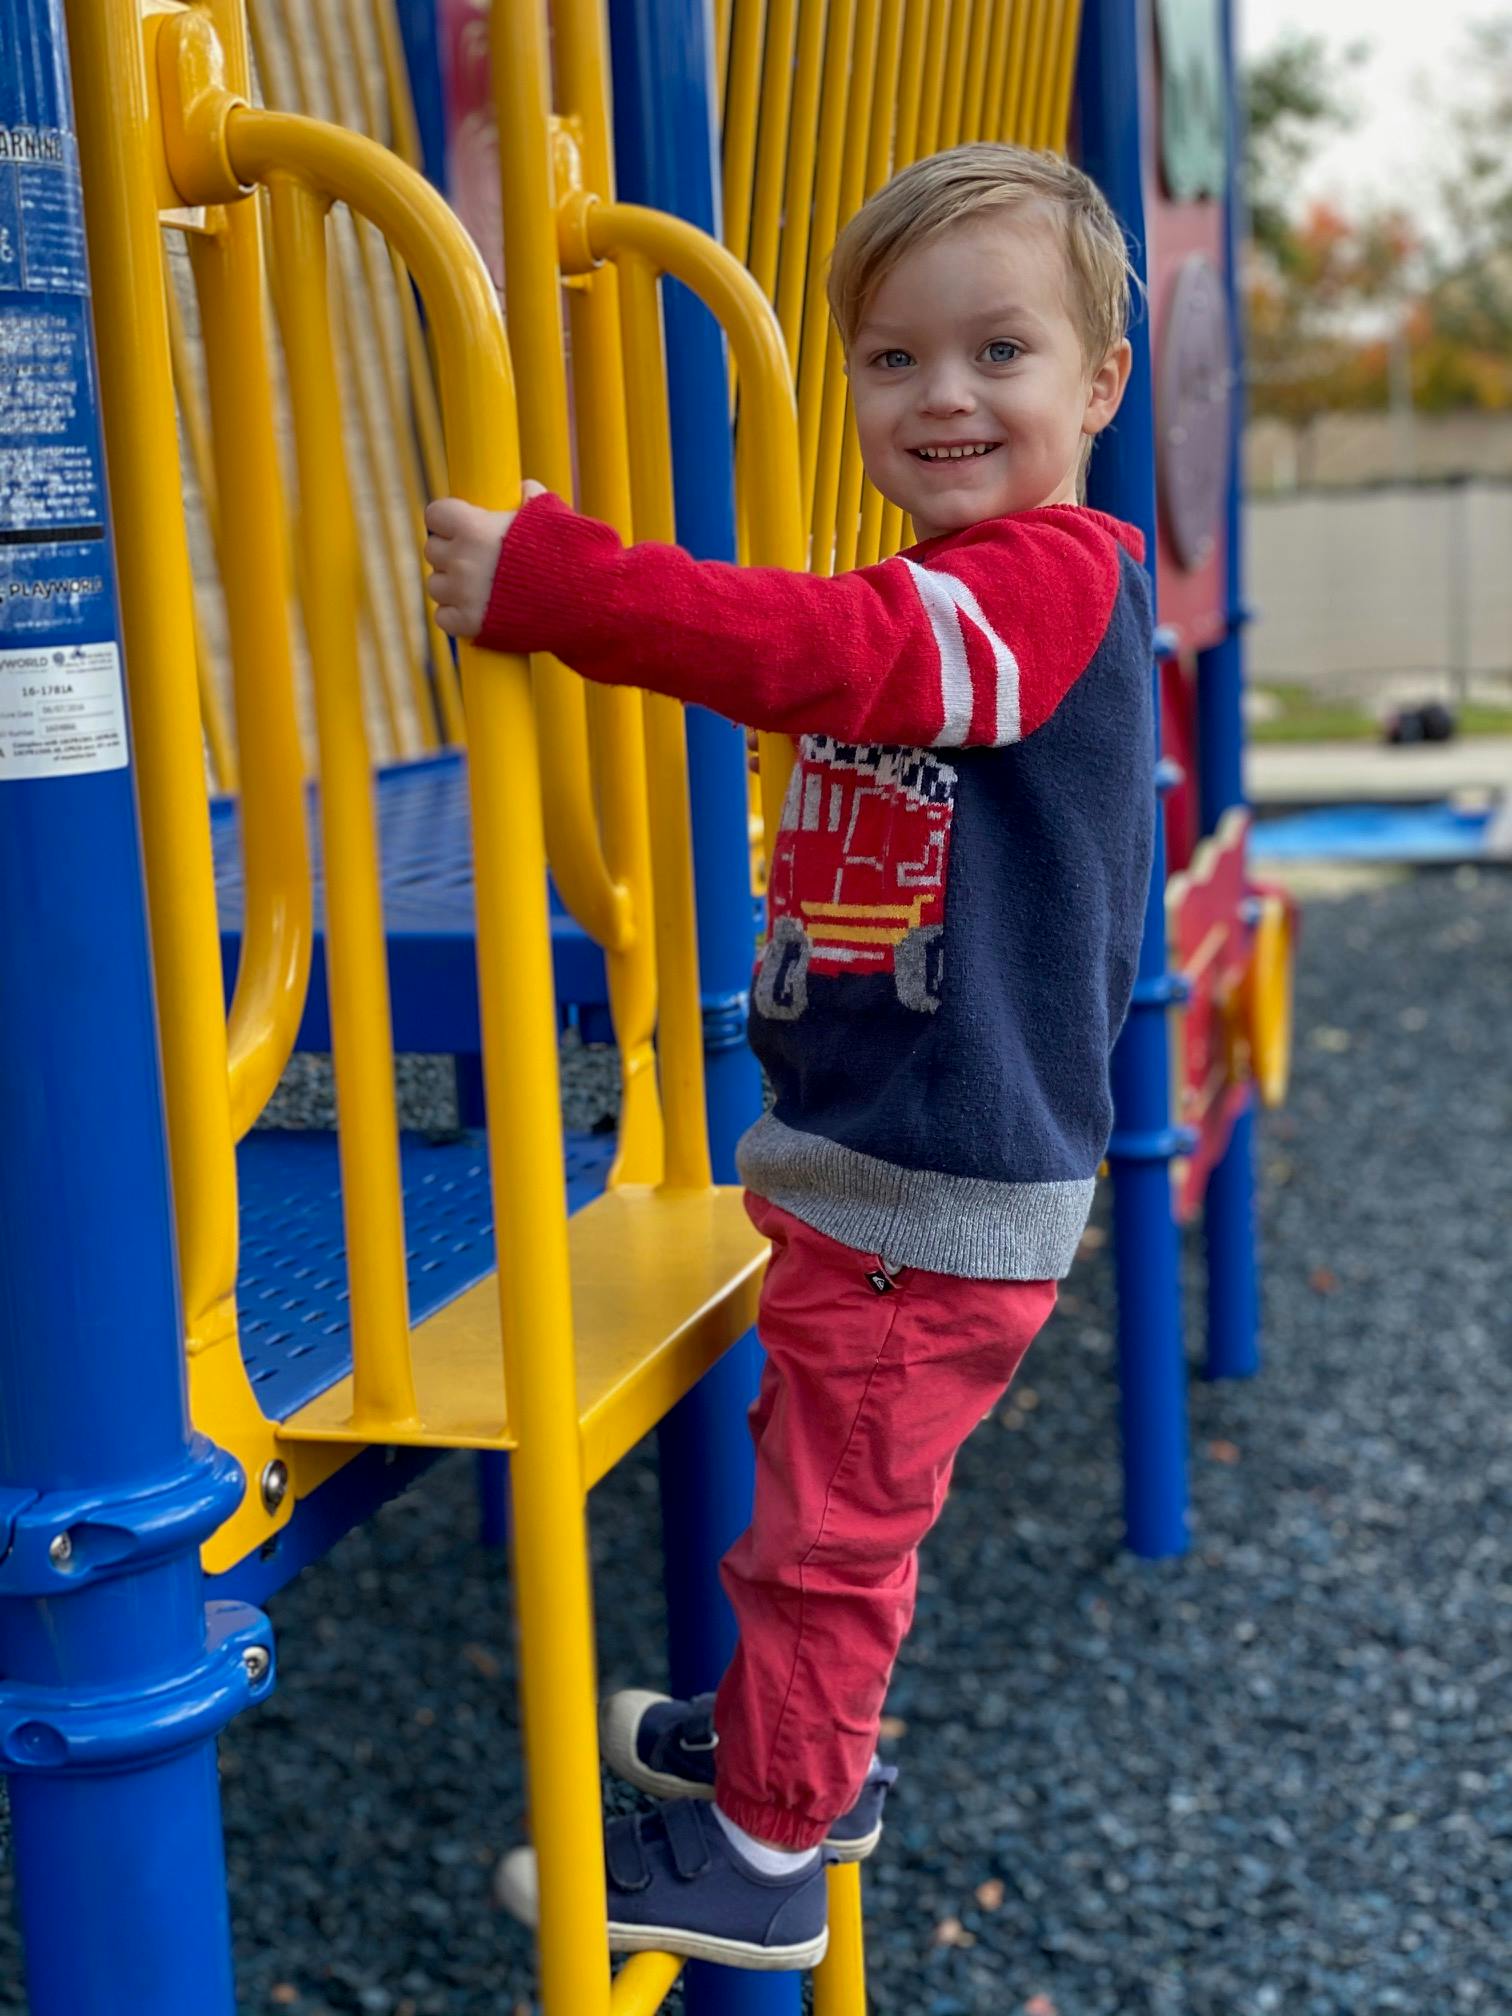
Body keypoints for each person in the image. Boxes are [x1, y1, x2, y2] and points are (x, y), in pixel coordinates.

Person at [425, 142, 1152, 1972]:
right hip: (882, 1163)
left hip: (939, 1181)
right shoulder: (969, 587)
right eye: (894, 359)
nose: (943, 395)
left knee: (826, 1535)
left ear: (1101, 385)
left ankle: (759, 1854)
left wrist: (564, 585)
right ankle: (797, 1750)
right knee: (819, 1490)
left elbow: (830, 652)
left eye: (999, 351)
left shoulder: (1041, 589)